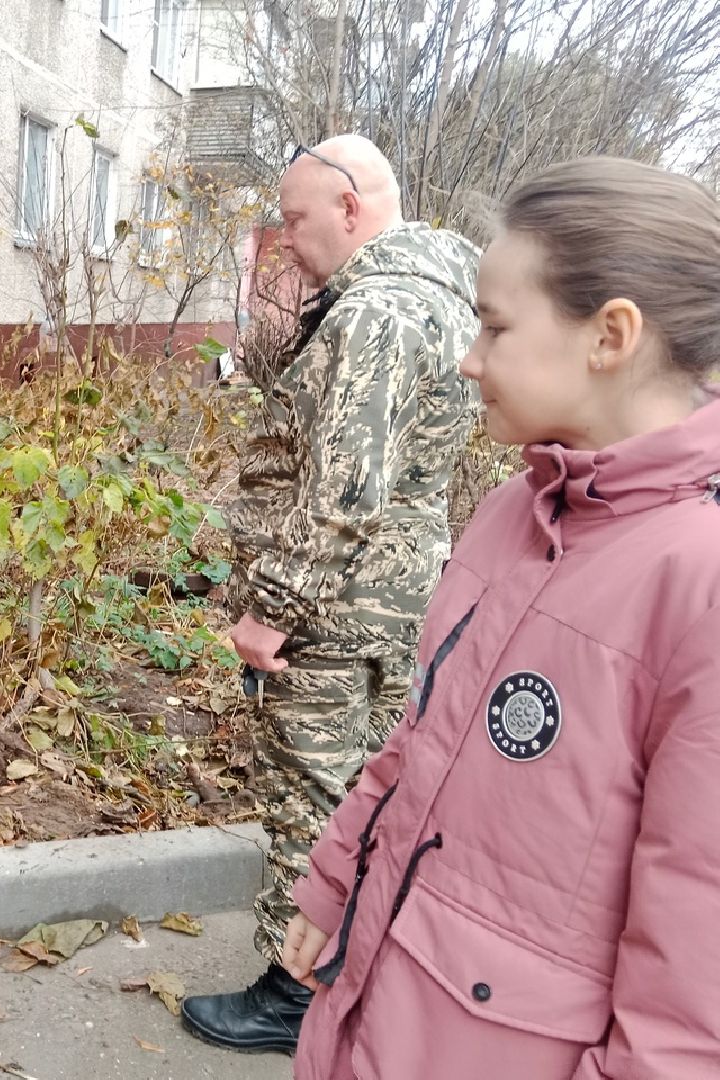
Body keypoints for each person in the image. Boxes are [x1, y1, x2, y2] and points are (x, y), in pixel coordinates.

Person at [282, 157, 720, 1078]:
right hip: (381, 1014)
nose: (466, 358)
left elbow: (692, 965)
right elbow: (416, 741)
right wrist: (329, 889)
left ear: (610, 336)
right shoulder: (511, 513)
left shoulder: (699, 584)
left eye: (493, 327)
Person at [181, 135, 480, 1053]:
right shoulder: (443, 295)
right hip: (401, 595)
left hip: (338, 609)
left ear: (349, 208)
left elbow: (343, 490)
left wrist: (272, 611)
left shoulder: (377, 315)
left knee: (311, 792)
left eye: (294, 217)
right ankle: (360, 971)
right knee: (375, 792)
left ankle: (294, 992)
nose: (284, 237)